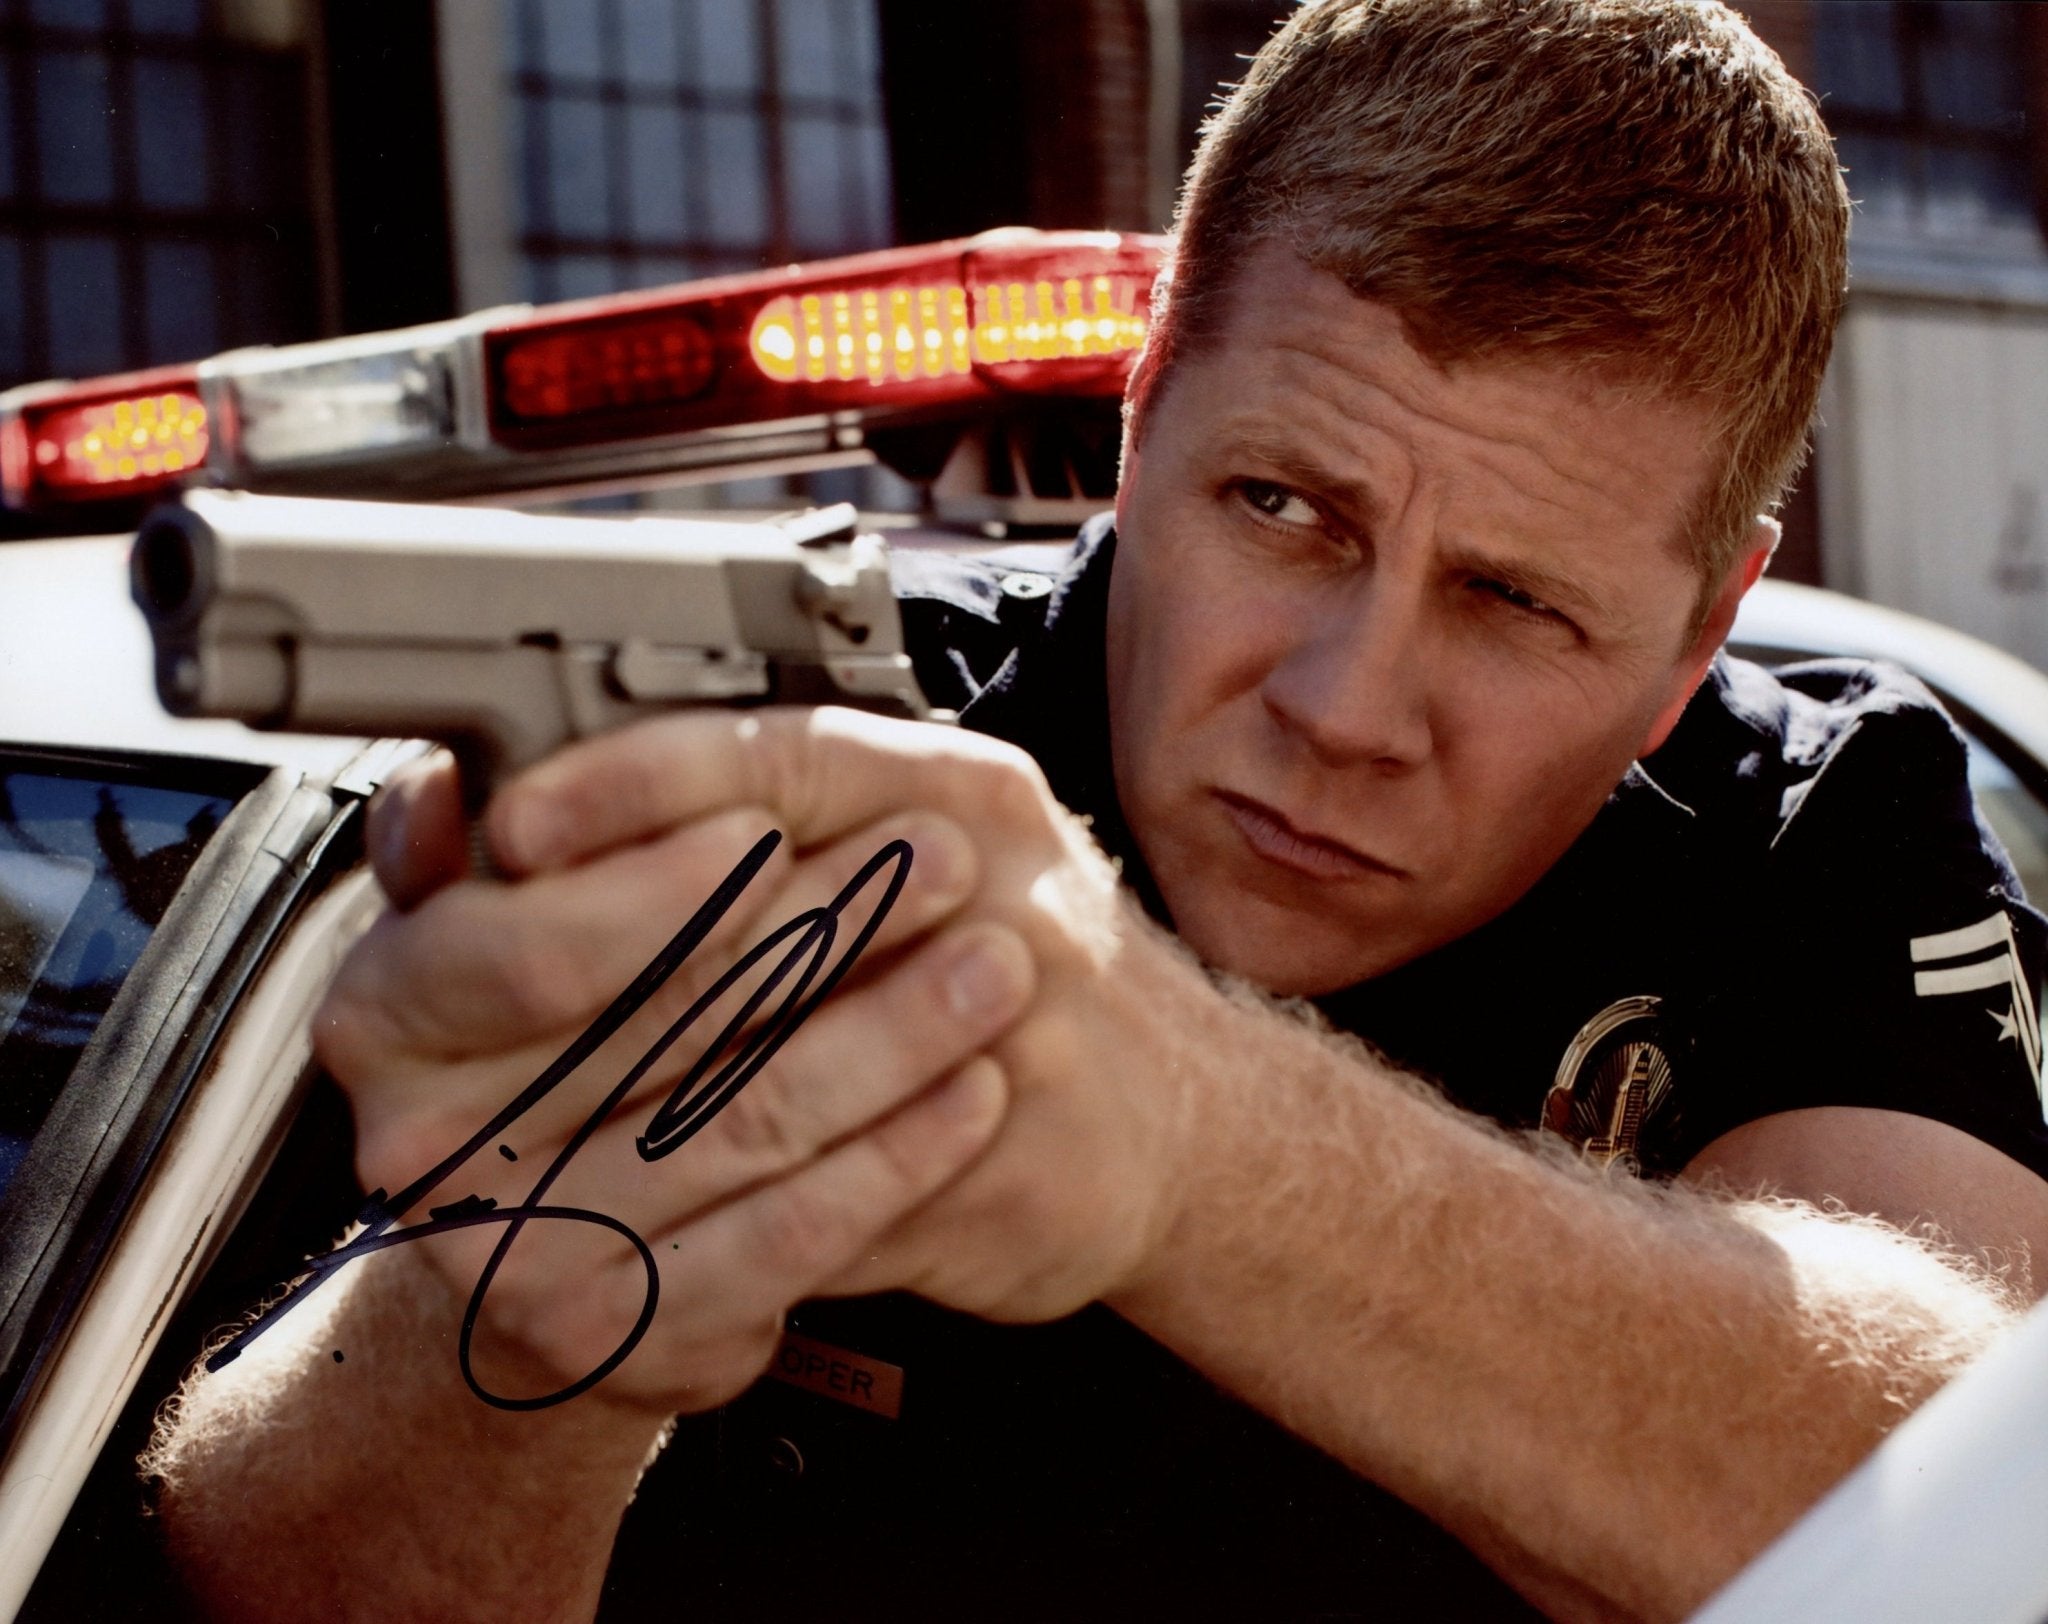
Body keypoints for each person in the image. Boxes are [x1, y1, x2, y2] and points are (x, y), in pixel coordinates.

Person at [145, 1, 2048, 1619]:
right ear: (1141, 424)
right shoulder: (830, 733)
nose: (1343, 708)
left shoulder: (1822, 829)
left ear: (1704, 628)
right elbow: (240, 1568)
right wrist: (506, 1340)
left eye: (1513, 600)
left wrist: (1188, 1133)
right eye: (1281, 507)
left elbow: (1973, 1516)